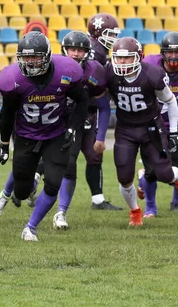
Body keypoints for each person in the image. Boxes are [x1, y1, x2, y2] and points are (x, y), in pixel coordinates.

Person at [0, 32, 88, 241]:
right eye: (26, 58)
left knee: (54, 182)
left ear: (46, 56)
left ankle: (30, 228)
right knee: (21, 190)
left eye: (35, 57)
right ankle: (29, 189)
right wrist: (3, 144)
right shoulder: (13, 78)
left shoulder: (66, 71)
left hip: (56, 134)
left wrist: (72, 128)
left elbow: (82, 101)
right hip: (26, 135)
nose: (30, 62)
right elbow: (7, 113)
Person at [105, 37, 178, 226]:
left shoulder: (152, 74)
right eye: (118, 58)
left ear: (138, 57)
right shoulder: (109, 73)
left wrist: (174, 132)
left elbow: (170, 101)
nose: (121, 62)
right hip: (125, 129)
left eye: (127, 58)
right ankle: (135, 211)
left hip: (151, 127)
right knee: (124, 177)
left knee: (165, 174)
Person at [51, 31, 116, 230]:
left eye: (81, 50)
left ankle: (67, 209)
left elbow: (104, 106)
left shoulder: (94, 70)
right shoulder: (53, 66)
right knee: (51, 160)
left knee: (87, 159)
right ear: (65, 50)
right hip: (58, 118)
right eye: (73, 50)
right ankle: (20, 189)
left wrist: (102, 136)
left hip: (85, 118)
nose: (77, 54)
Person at [136, 32, 178, 217]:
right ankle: (151, 207)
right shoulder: (150, 67)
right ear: (162, 53)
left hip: (176, 124)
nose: (174, 57)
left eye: (177, 52)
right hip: (154, 124)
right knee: (153, 170)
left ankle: (176, 202)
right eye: (170, 52)